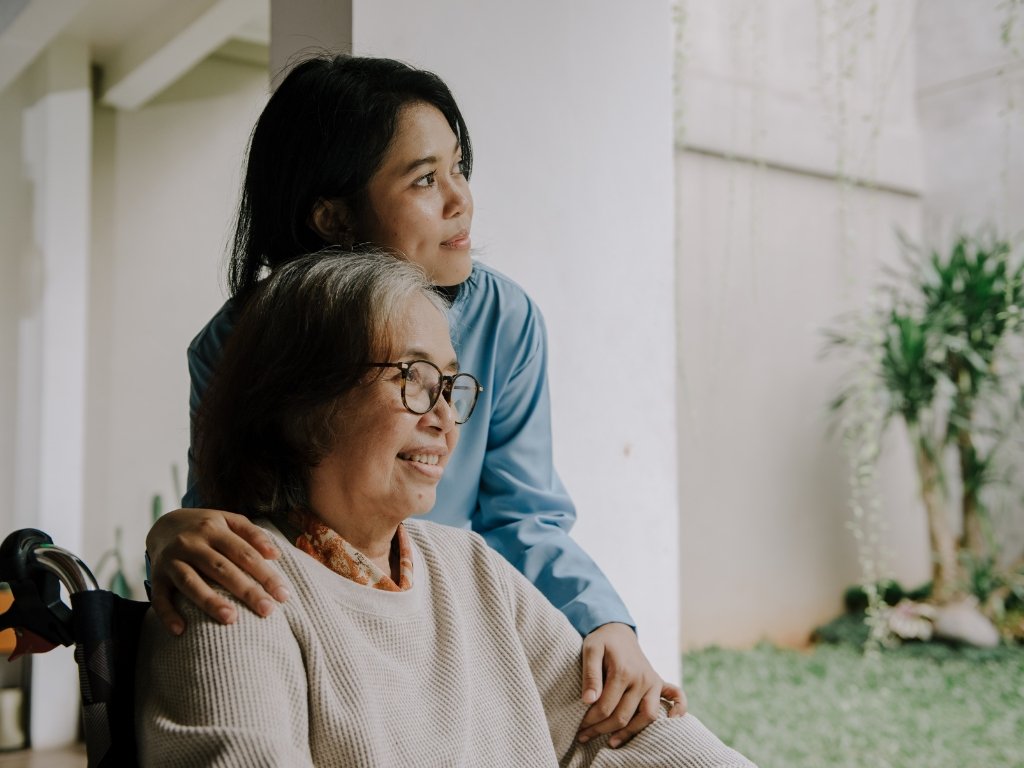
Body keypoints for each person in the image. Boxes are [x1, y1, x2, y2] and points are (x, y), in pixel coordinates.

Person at [145, 52, 684, 747]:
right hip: (324, 642)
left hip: (460, 633)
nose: (461, 200)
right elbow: (232, 515)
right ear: (334, 218)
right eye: (426, 179)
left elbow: (526, 516)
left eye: (459, 167)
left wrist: (603, 622)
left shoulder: (504, 318)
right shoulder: (235, 345)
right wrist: (175, 529)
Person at [135, 250, 754, 768]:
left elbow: (616, 740)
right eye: (412, 377)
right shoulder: (233, 586)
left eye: (450, 385)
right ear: (301, 401)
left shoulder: (470, 569)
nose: (443, 418)